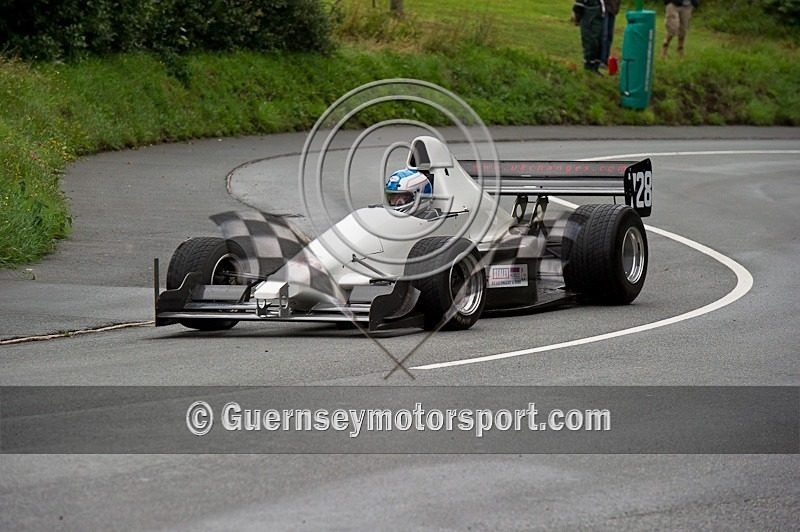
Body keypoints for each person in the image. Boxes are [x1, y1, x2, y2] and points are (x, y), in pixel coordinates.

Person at [573, 0, 606, 73]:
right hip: (589, 14)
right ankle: (589, 67)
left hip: (598, 12)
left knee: (598, 41)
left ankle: (594, 67)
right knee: (590, 40)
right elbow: (578, 6)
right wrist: (578, 17)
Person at [600, 0, 620, 68]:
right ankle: (601, 60)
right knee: (604, 35)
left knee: (609, 35)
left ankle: (605, 59)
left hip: (612, 7)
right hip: (604, 7)